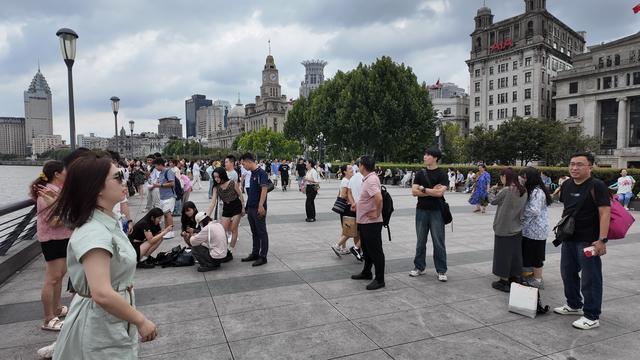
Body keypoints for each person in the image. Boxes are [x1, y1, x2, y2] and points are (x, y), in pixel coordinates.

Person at [49, 155, 157, 359]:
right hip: (100, 324)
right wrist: (141, 321)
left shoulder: (107, 222)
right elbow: (102, 293)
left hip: (109, 319)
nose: (124, 181)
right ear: (97, 188)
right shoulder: (94, 232)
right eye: (117, 177)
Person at [554, 152, 610, 330]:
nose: (574, 168)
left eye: (579, 164)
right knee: (567, 273)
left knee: (590, 278)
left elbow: (605, 212)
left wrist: (601, 240)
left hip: (589, 241)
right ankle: (574, 304)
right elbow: (567, 208)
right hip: (569, 238)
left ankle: (592, 315)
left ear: (590, 167)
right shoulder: (568, 184)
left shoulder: (597, 185)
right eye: (572, 164)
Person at [31, 160, 73, 332]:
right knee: (52, 278)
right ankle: (48, 318)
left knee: (60, 275)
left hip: (63, 237)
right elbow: (54, 221)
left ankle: (56, 309)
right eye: (65, 171)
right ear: (56, 174)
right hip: (52, 238)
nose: (67, 174)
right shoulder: (46, 193)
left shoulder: (59, 191)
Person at [409, 148, 449, 281]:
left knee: (438, 241)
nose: (425, 157)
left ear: (435, 158)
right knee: (420, 240)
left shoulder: (442, 174)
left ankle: (441, 270)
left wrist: (423, 189)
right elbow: (414, 192)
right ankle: (419, 267)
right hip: (421, 210)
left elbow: (439, 193)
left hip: (437, 211)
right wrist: (432, 191)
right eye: (425, 154)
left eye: (428, 155)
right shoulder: (420, 173)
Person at [489, 167, 528, 292]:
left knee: (502, 255)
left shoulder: (506, 190)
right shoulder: (523, 190)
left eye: (502, 177)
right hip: (517, 227)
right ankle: (514, 277)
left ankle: (503, 280)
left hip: (503, 227)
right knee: (515, 254)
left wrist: (492, 189)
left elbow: (493, 201)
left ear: (505, 177)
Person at [350, 155, 385, 290]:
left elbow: (379, 198)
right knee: (367, 250)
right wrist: (357, 205)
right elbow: (368, 198)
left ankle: (380, 279)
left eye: (359, 165)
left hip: (371, 223)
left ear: (362, 166)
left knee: (376, 251)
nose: (358, 167)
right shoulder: (369, 179)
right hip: (365, 221)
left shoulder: (371, 180)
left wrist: (376, 212)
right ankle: (366, 272)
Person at [521, 167, 552, 289]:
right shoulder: (531, 190)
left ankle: (538, 280)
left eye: (524, 177)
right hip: (529, 230)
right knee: (529, 254)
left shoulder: (537, 192)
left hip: (537, 230)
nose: (522, 179)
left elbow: (534, 210)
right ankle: (530, 276)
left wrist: (520, 213)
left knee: (536, 256)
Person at [239, 153, 269, 266]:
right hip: (251, 207)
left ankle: (263, 256)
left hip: (258, 208)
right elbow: (252, 192)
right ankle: (255, 253)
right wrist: (246, 207)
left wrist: (261, 205)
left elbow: (264, 189)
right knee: (254, 232)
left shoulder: (261, 173)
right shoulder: (251, 174)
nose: (243, 166)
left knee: (262, 232)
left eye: (243, 164)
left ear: (249, 161)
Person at [206, 167, 244, 254]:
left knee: (233, 229)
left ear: (222, 175)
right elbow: (213, 203)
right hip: (226, 207)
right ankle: (225, 248)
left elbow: (240, 195)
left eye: (218, 177)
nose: (216, 179)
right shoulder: (216, 187)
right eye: (214, 177)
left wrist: (243, 207)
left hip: (236, 206)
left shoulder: (232, 183)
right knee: (223, 230)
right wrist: (207, 215)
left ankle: (231, 249)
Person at [331, 165, 355, 256]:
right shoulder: (346, 181)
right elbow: (344, 195)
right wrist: (352, 198)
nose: (352, 169)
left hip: (345, 207)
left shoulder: (346, 180)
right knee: (350, 228)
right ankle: (338, 245)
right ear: (345, 171)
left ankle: (343, 248)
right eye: (349, 169)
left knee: (346, 228)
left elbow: (339, 193)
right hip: (347, 207)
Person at [151, 158, 175, 239]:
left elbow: (172, 183)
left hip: (169, 196)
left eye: (156, 166)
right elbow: (160, 182)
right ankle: (167, 231)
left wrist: (159, 185)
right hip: (163, 197)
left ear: (160, 164)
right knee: (165, 214)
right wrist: (155, 185)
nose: (155, 168)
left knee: (168, 214)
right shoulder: (161, 173)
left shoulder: (168, 171)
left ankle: (171, 231)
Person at [347, 159, 364, 261]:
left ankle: (358, 251)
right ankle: (358, 248)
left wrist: (353, 203)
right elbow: (364, 195)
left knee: (356, 231)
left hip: (354, 208)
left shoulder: (353, 178)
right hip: (362, 208)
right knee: (365, 231)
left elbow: (349, 192)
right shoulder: (365, 178)